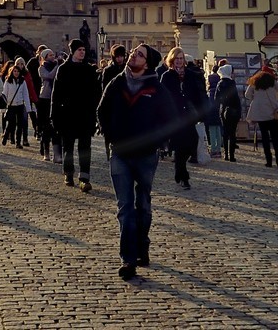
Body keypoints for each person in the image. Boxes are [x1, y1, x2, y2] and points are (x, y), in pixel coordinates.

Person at [96, 42, 178, 280]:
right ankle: (127, 259)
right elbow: (102, 110)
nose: (133, 56)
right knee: (125, 208)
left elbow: (170, 117)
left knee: (143, 205)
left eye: (139, 55)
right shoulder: (117, 83)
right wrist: (111, 136)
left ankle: (142, 245)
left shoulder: (156, 87)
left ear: (147, 62)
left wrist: (158, 140)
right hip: (120, 152)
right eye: (133, 53)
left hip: (145, 155)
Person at [50, 38, 102, 192]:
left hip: (85, 114)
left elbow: (96, 94)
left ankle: (84, 178)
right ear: (73, 51)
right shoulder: (63, 69)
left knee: (85, 147)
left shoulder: (89, 69)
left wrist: (96, 114)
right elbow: (56, 94)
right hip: (68, 114)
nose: (82, 52)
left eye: (84, 50)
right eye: (80, 50)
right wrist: (54, 115)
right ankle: (68, 173)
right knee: (68, 147)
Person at [159, 48, 201, 188]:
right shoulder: (167, 76)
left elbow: (197, 94)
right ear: (172, 60)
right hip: (174, 116)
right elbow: (162, 97)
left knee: (192, 143)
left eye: (181, 58)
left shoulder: (190, 74)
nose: (179, 61)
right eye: (176, 58)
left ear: (184, 60)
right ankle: (184, 177)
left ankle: (179, 171)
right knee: (179, 146)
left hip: (189, 115)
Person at [245, 66, 278, 167]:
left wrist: (255, 99)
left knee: (265, 139)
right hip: (272, 114)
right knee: (275, 138)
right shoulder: (272, 83)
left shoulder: (255, 82)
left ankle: (268, 161)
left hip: (261, 115)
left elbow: (247, 95)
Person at [37, 49, 61, 162]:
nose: (53, 56)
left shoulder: (58, 66)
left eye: (53, 54)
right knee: (46, 126)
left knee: (56, 127)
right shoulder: (41, 68)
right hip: (45, 98)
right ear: (45, 57)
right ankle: (46, 152)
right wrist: (58, 66)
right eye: (50, 55)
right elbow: (50, 76)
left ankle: (57, 154)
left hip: (56, 97)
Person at [215, 67, 242, 162]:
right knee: (232, 133)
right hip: (233, 110)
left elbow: (216, 99)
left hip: (223, 110)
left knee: (225, 133)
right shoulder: (231, 83)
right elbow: (235, 98)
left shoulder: (220, 83)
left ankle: (226, 154)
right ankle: (232, 155)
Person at [2, 63, 31, 148]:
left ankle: (18, 142)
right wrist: (3, 108)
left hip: (20, 105)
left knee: (20, 125)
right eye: (15, 71)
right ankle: (6, 135)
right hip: (11, 105)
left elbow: (26, 94)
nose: (16, 73)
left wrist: (28, 108)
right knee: (11, 123)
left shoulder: (22, 81)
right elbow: (4, 94)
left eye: (18, 71)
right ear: (12, 72)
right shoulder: (8, 81)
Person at [205, 63, 225, 158]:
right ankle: (219, 150)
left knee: (212, 131)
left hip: (211, 113)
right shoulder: (219, 89)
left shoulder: (209, 93)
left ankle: (213, 149)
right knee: (218, 130)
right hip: (219, 111)